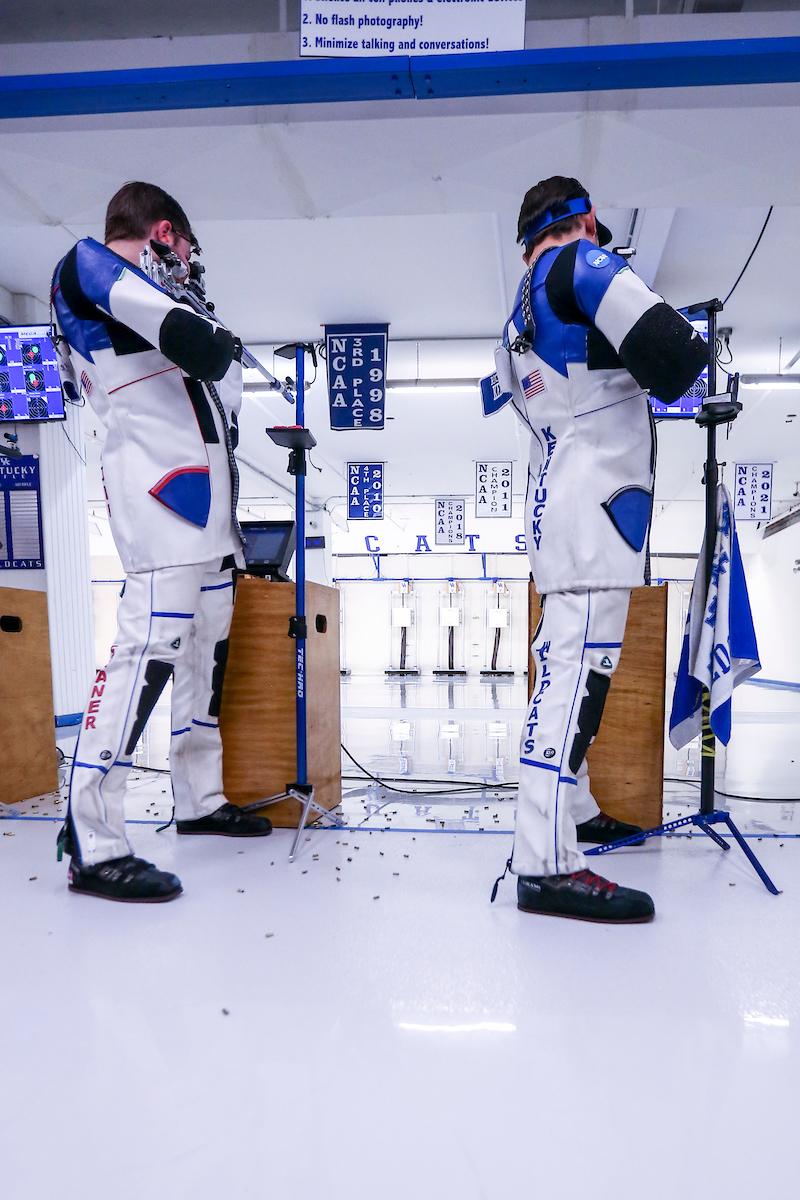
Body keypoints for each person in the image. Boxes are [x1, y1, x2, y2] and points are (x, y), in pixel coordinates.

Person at [489, 176, 707, 922]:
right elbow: (677, 360)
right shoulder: (582, 266)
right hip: (596, 512)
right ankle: (545, 865)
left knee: (579, 672)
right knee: (570, 683)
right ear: (583, 222)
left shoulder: (514, 316)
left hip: (562, 502)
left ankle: (572, 813)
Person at [52, 181, 272, 904]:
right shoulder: (89, 267)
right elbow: (205, 349)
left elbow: (226, 385)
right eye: (184, 252)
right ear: (164, 233)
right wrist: (206, 326)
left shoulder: (147, 301)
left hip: (208, 513)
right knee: (143, 657)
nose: (188, 267)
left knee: (205, 657)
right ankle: (94, 838)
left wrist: (212, 336)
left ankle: (197, 799)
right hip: (160, 498)